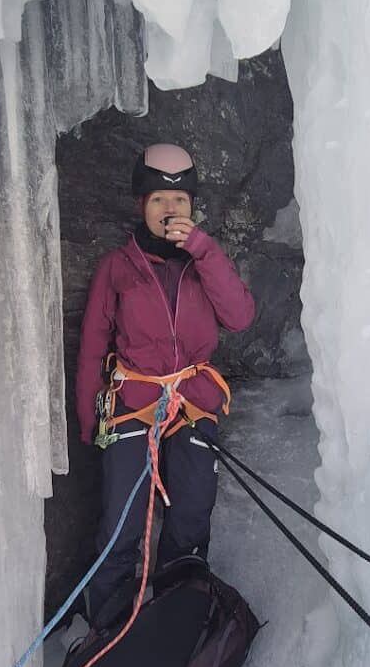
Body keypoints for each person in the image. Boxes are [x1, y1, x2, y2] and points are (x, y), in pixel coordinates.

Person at [76, 143, 255, 628]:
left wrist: (202, 249)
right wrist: (90, 419)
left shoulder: (204, 262)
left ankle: (180, 610)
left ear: (192, 207)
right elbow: (93, 342)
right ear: (142, 205)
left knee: (193, 507)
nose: (170, 210)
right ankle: (108, 624)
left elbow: (239, 317)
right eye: (158, 200)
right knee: (122, 520)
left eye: (179, 201)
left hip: (193, 402)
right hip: (133, 403)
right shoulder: (118, 267)